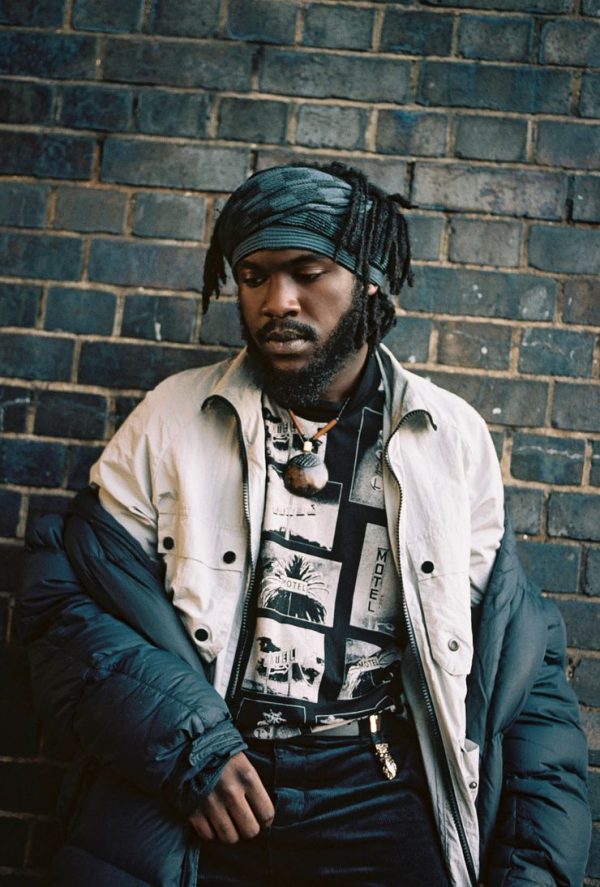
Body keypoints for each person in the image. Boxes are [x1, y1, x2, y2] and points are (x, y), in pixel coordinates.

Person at [19, 163, 590, 887]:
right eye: (253, 276)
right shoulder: (173, 418)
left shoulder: (449, 438)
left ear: (370, 281)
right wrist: (190, 748)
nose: (276, 301)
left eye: (307, 272)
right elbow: (62, 605)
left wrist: (534, 868)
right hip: (210, 790)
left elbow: (519, 663)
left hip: (380, 788)